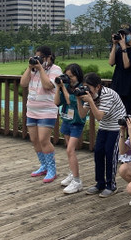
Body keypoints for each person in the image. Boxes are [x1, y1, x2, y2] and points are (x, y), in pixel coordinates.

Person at [79, 72, 127, 197]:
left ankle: (111, 185)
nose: (86, 90)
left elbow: (99, 116)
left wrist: (90, 101)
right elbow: (82, 114)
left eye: (89, 87)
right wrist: (79, 100)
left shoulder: (107, 94)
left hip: (117, 127)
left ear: (98, 87)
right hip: (105, 126)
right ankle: (100, 183)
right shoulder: (90, 95)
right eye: (85, 86)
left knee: (110, 154)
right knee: (98, 153)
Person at [20, 46, 63, 183]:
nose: (38, 60)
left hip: (47, 109)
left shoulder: (56, 70)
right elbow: (23, 83)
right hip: (32, 109)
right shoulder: (33, 70)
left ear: (48, 57)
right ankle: (43, 165)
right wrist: (30, 67)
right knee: (34, 139)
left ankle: (52, 169)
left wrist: (40, 69)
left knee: (44, 139)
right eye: (36, 56)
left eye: (40, 57)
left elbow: (48, 86)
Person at [54, 63, 86, 194]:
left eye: (71, 76)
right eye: (67, 76)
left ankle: (77, 181)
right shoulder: (65, 86)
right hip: (67, 120)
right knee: (69, 150)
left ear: (77, 75)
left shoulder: (82, 88)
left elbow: (70, 101)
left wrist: (64, 88)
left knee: (70, 150)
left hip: (77, 122)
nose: (69, 78)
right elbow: (57, 102)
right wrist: (58, 87)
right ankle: (72, 174)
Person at [109, 23, 131, 113]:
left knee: (127, 116)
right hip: (116, 87)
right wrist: (114, 45)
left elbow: (127, 65)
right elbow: (111, 62)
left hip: (128, 89)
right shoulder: (119, 49)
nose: (123, 37)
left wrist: (124, 48)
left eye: (126, 34)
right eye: (121, 35)